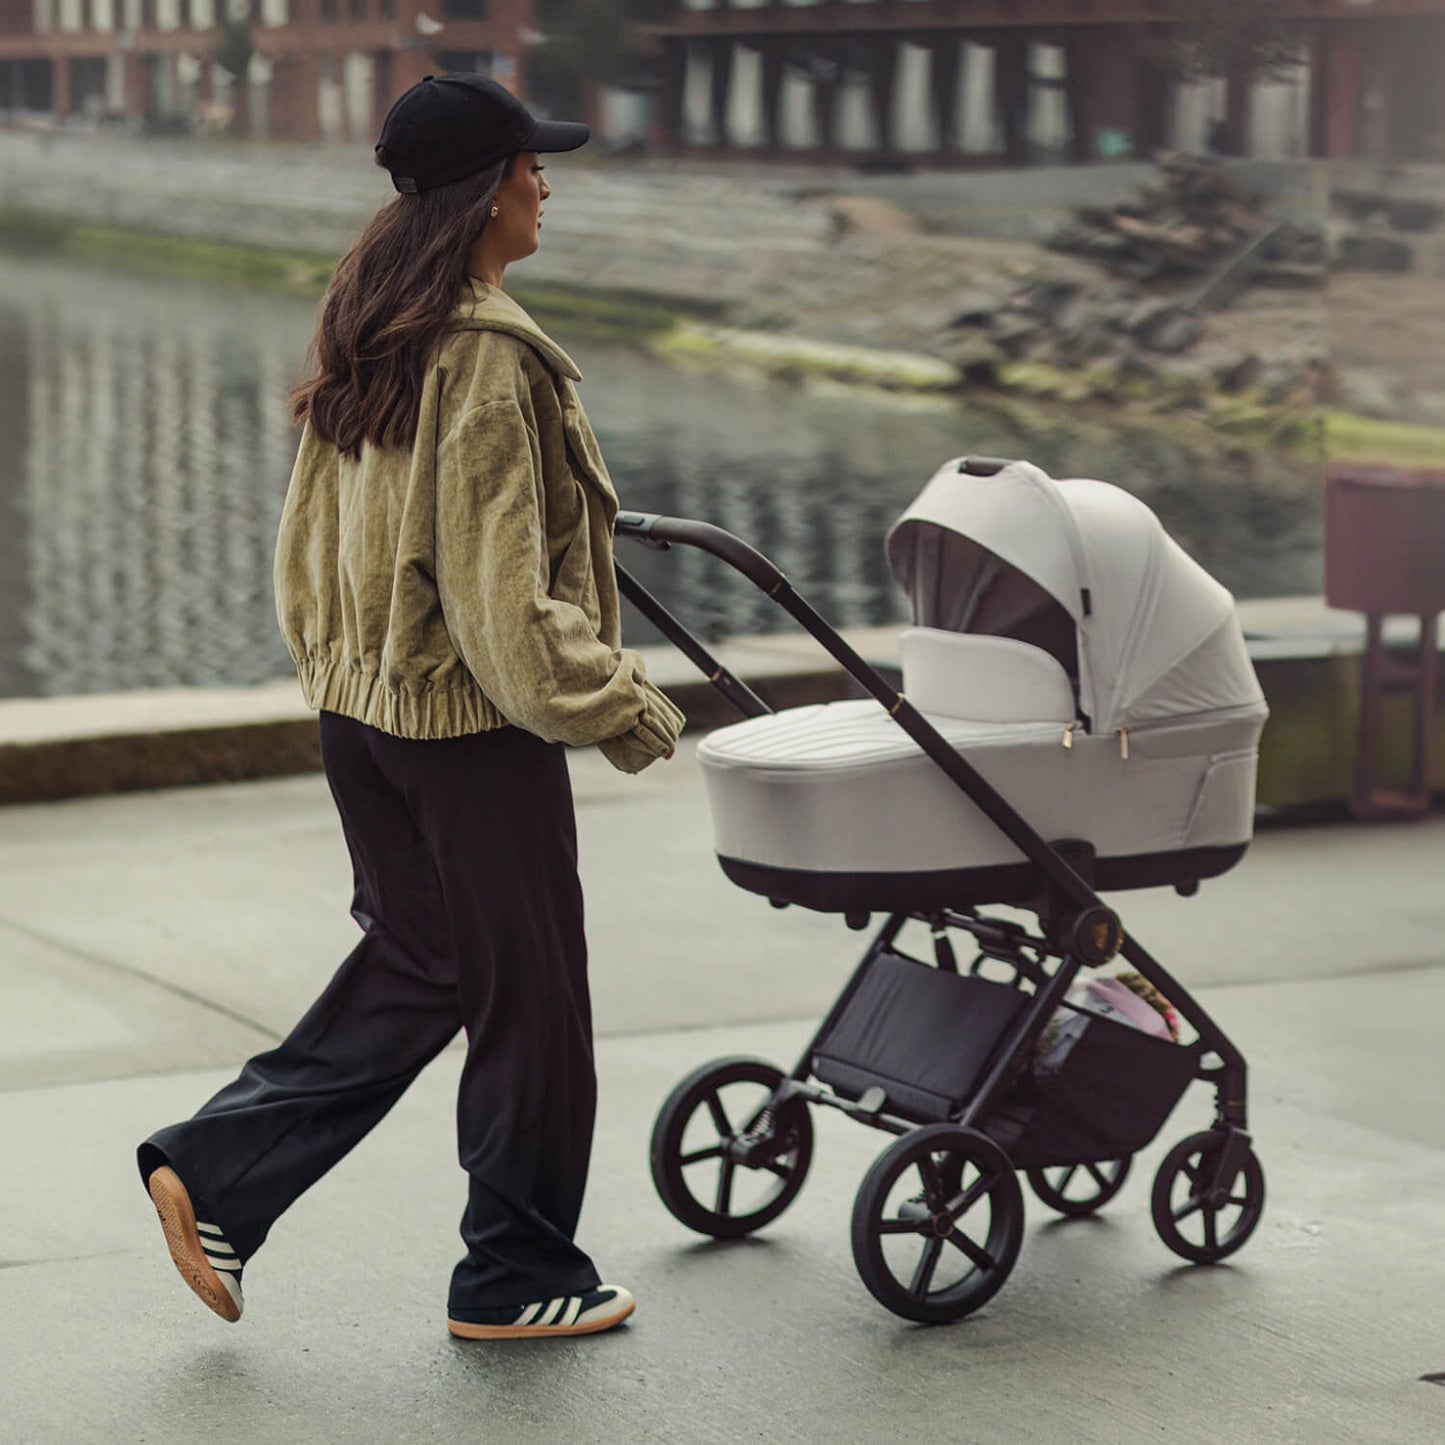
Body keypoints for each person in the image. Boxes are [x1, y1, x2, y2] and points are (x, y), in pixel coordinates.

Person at [136, 73, 684, 1342]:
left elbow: (307, 540)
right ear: (486, 189)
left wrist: (350, 671)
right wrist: (624, 706)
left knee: (424, 958)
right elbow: (501, 608)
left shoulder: (370, 317)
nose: (547, 184)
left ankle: (216, 1172)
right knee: (532, 997)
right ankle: (514, 1270)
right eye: (531, 167)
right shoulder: (487, 352)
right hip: (470, 729)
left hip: (364, 716)